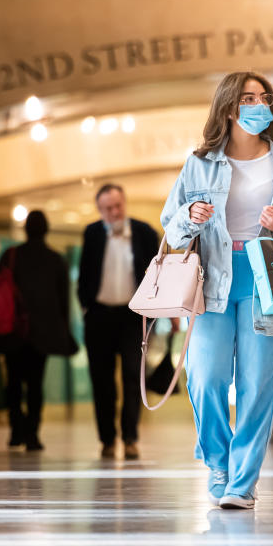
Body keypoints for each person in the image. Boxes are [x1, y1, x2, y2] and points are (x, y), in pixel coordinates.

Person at [160, 71, 273, 509]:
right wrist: (189, 216)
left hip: (267, 275)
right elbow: (170, 226)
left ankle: (242, 482)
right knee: (206, 377)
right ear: (230, 106)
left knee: (258, 383)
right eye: (249, 97)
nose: (258, 104)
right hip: (212, 278)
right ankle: (218, 461)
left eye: (264, 97)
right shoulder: (200, 162)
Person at [78, 184, 161, 461]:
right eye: (108, 208)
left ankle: (130, 438)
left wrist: (163, 312)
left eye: (118, 206)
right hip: (99, 315)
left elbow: (157, 274)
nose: (114, 212)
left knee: (131, 376)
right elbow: (85, 272)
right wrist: (85, 306)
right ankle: (107, 440)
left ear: (124, 203)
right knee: (102, 383)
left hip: (132, 317)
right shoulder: (91, 233)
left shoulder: (145, 232)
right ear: (100, 210)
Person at [0, 211, 77, 451]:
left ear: (26, 230)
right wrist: (62, 329)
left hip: (12, 331)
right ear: (46, 230)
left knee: (13, 382)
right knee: (35, 384)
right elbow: (63, 301)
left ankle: (15, 429)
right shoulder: (56, 260)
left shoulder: (11, 256)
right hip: (42, 333)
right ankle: (32, 433)